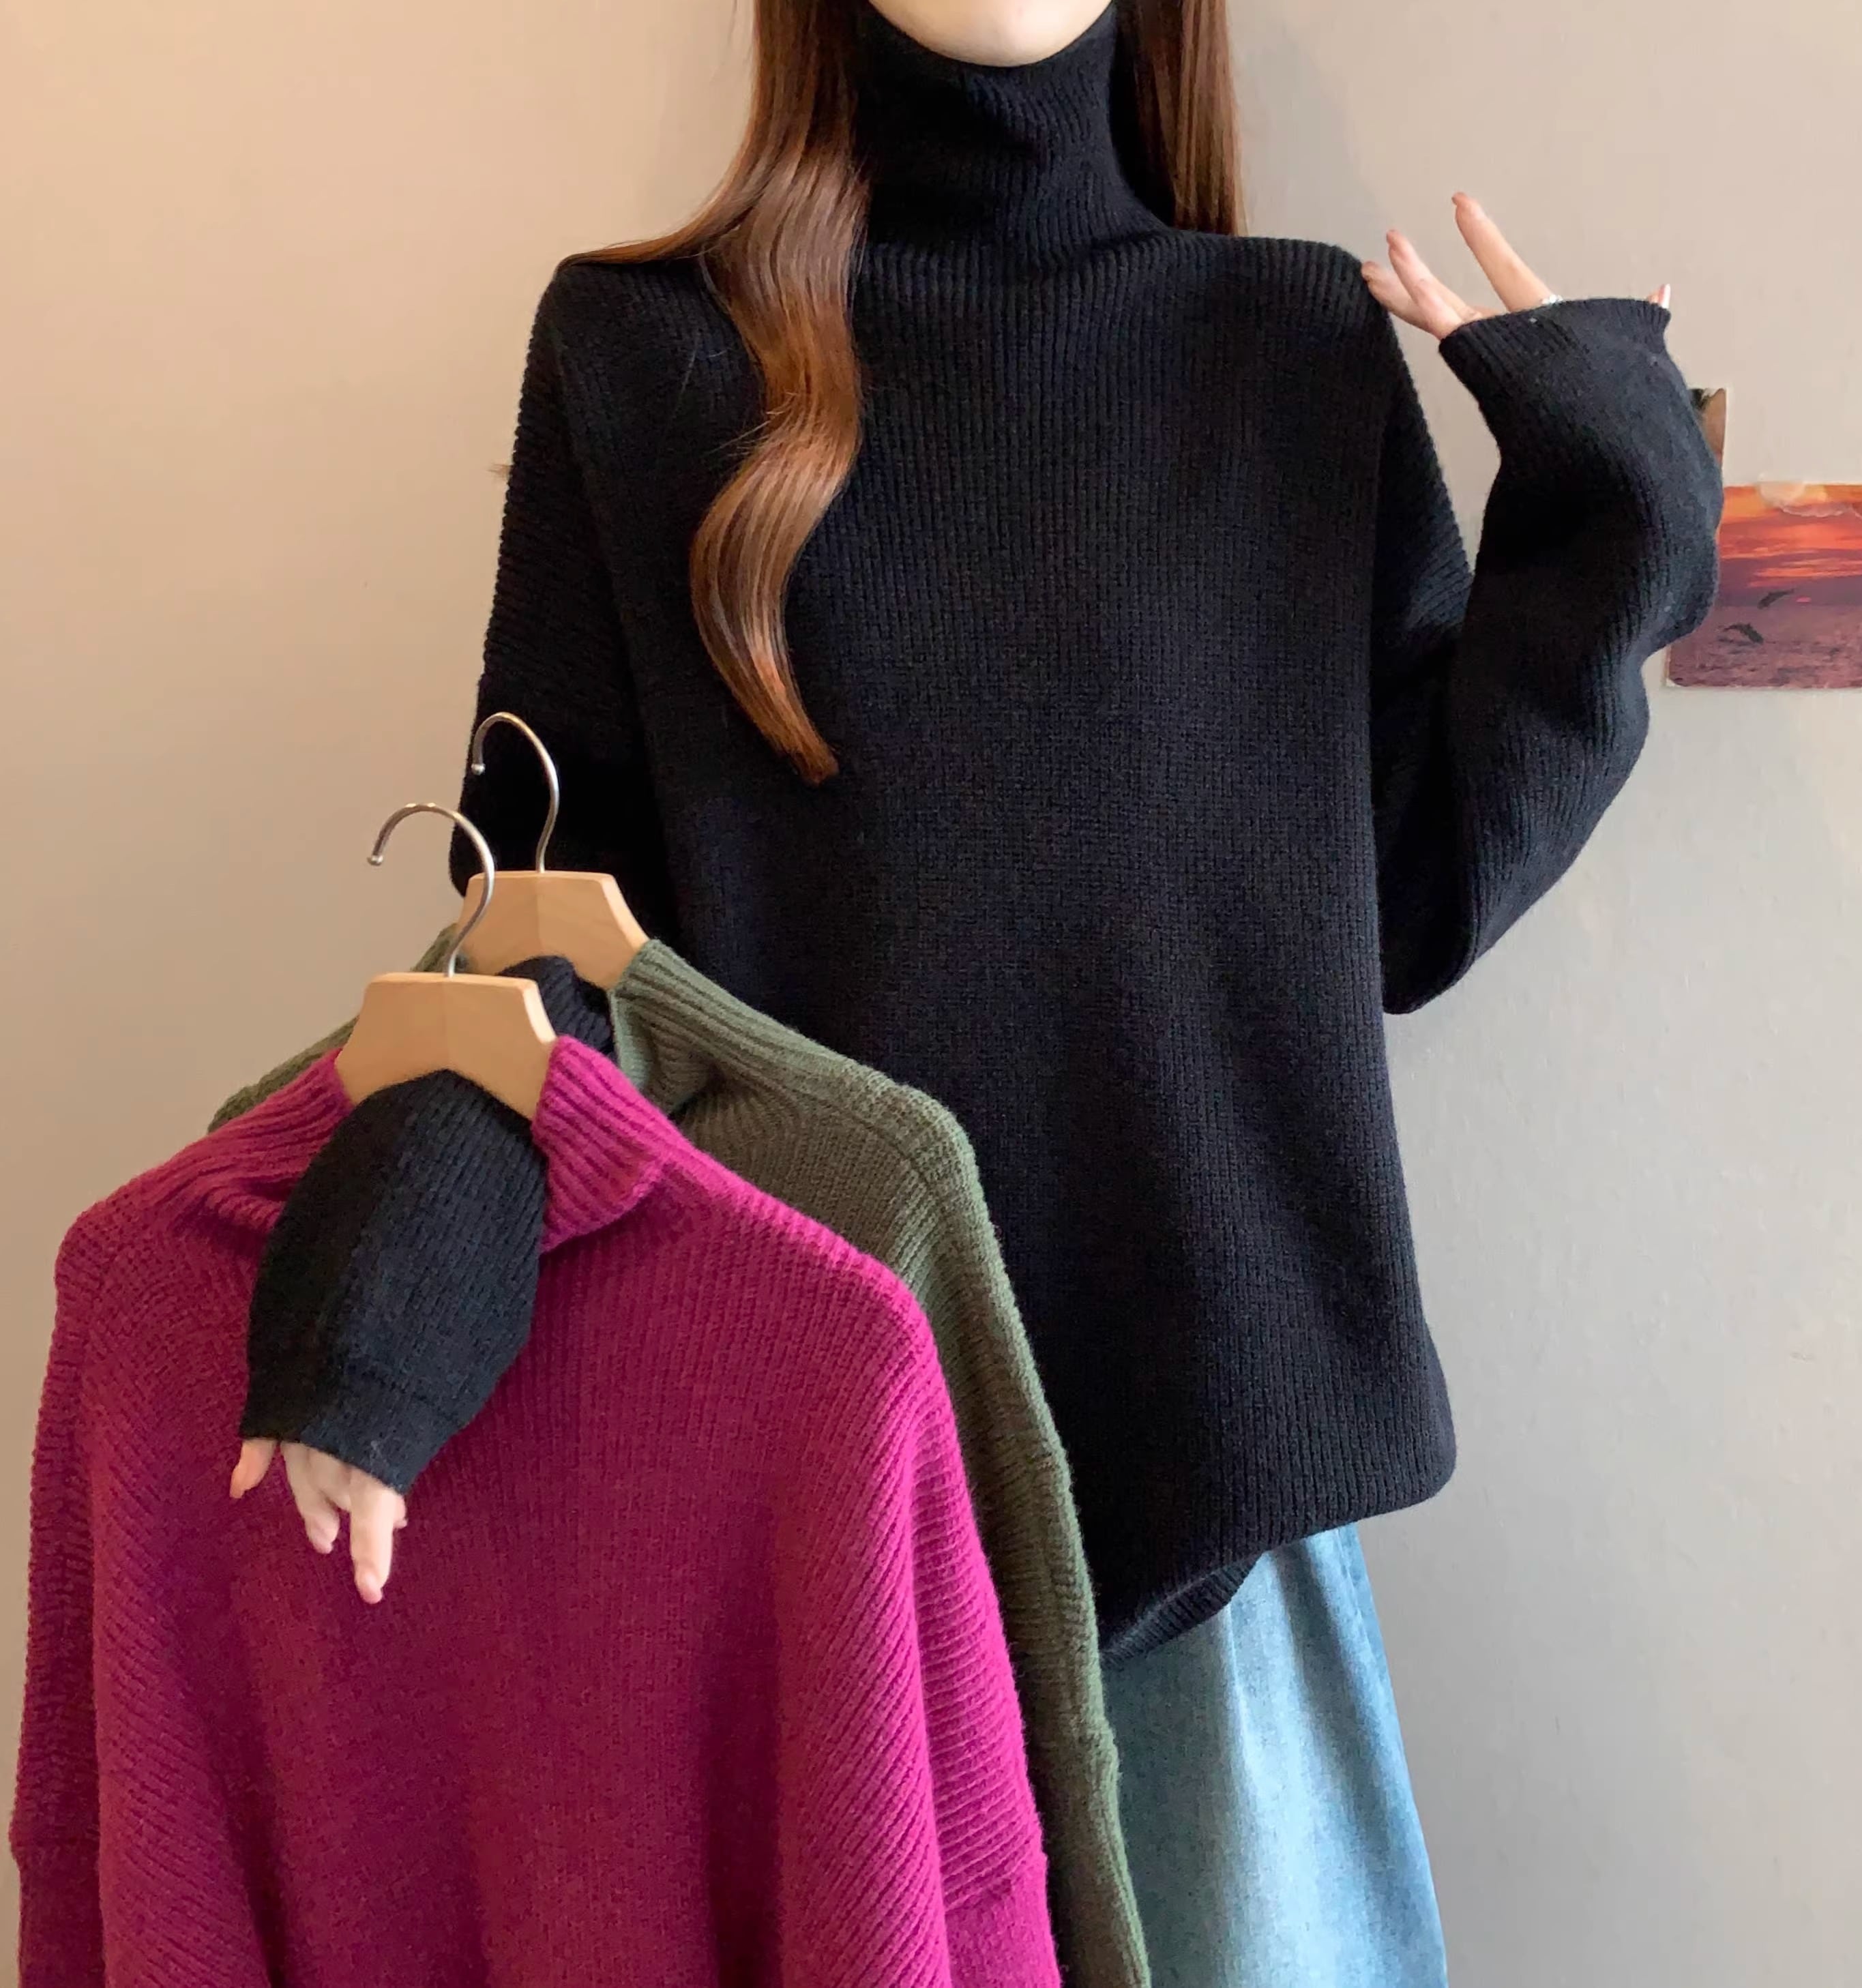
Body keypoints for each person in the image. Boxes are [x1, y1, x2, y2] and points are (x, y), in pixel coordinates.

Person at [235, 0, 1721, 1977]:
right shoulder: (644, 353)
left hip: (1219, 1494)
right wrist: (405, 1251)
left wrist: (1615, 514)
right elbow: (549, 928)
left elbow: (1399, 900)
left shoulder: (1285, 345)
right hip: (811, 1502)